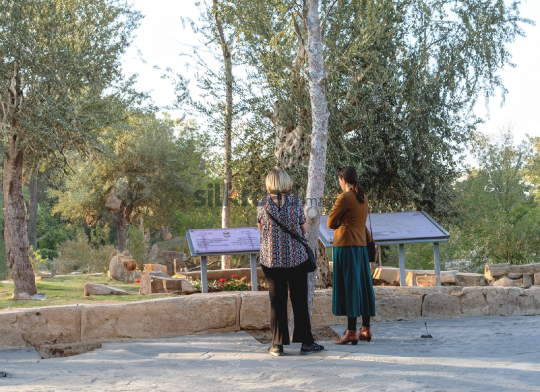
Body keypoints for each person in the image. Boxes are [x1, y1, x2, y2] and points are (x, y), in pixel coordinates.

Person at [257, 167, 324, 356]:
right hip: (296, 259)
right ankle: (307, 343)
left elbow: (261, 231)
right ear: (286, 182)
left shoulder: (262, 205)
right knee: (299, 300)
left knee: (277, 302)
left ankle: (277, 345)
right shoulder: (295, 203)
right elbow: (303, 229)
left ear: (270, 182)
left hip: (272, 261)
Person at [328, 166, 376, 345]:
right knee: (362, 286)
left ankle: (350, 332)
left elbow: (331, 222)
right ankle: (365, 328)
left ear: (343, 180)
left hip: (346, 247)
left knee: (349, 287)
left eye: (339, 180)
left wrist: (341, 221)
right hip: (361, 247)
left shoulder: (344, 197)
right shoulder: (362, 197)